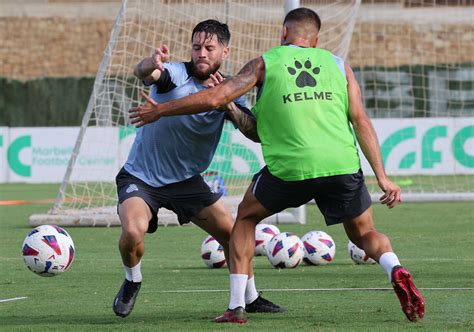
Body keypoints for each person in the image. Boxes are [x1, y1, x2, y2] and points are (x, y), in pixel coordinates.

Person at [128, 9, 425, 324]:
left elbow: (216, 98)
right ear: (316, 39)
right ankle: (394, 266)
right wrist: (383, 177)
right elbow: (361, 120)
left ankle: (236, 306)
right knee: (364, 233)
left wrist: (162, 110)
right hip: (342, 164)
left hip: (290, 169)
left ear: (284, 33)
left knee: (246, 218)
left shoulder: (264, 63)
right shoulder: (340, 66)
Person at [113, 19, 284, 318]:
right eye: (196, 47)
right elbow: (145, 72)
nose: (201, 53)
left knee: (234, 235)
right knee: (132, 232)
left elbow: (253, 131)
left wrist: (227, 105)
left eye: (209, 48)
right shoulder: (175, 75)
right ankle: (132, 280)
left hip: (187, 182)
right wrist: (148, 63)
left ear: (224, 52)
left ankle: (251, 296)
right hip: (142, 177)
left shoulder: (231, 89)